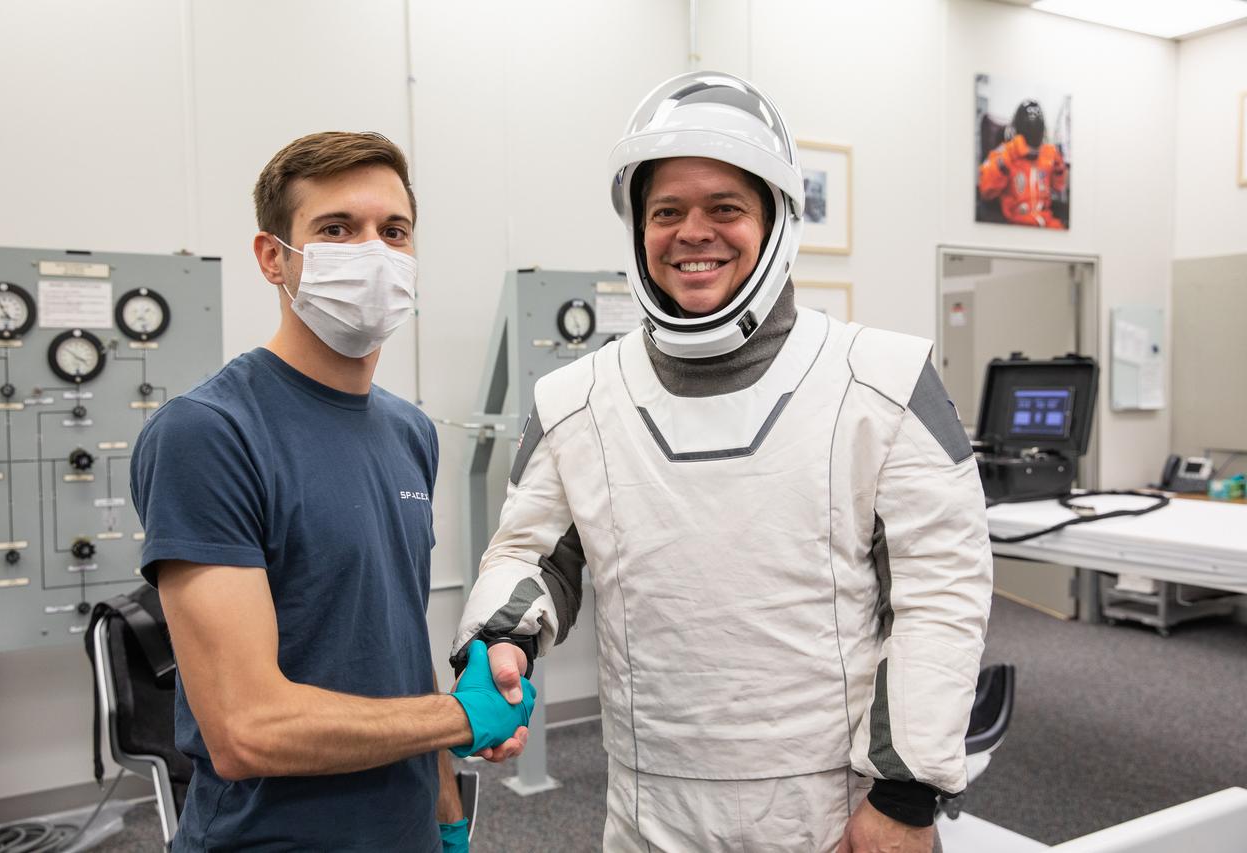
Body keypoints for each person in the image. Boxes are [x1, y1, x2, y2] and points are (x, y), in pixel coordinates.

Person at [451, 73, 993, 852]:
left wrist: (906, 797)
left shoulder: (883, 381)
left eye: (725, 208)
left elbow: (941, 595)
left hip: (837, 809)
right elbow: (532, 553)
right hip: (647, 805)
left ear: (776, 221)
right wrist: (505, 639)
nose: (691, 232)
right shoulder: (577, 399)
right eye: (665, 211)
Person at [131, 131, 534, 853]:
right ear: (272, 257)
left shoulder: (410, 431)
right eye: (337, 229)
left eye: (395, 231)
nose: (373, 252)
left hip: (404, 830)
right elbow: (247, 728)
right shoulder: (208, 433)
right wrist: (462, 716)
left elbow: (397, 646)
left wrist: (445, 811)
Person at [978, 99, 1068, 228]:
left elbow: (1058, 187)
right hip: (1017, 223)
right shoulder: (1004, 153)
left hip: (1046, 220)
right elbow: (985, 191)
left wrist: (1059, 169)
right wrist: (1006, 160)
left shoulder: (1048, 154)